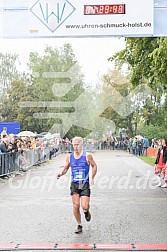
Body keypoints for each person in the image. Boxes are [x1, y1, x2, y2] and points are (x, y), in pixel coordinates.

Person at [57, 136, 97, 234]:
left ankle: (86, 211)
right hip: (74, 184)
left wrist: (92, 177)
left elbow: (94, 166)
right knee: (76, 205)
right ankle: (79, 225)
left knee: (84, 206)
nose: (75, 147)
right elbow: (66, 168)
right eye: (74, 145)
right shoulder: (70, 157)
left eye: (77, 145)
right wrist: (61, 173)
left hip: (84, 184)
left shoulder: (87, 156)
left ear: (81, 145)